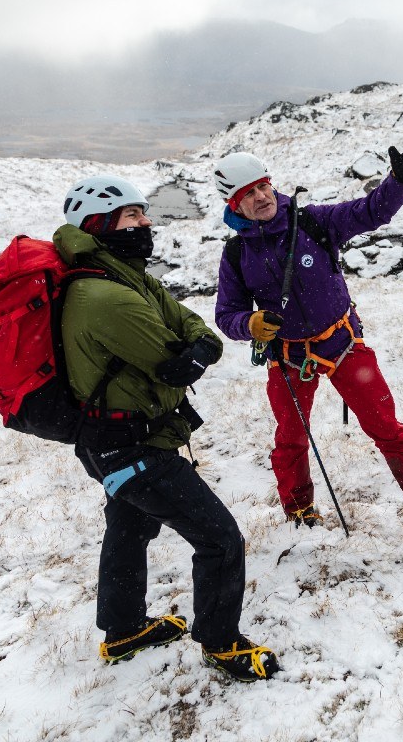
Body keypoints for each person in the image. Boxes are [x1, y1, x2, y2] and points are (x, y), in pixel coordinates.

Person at [54, 175, 278, 681]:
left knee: (131, 525)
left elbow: (199, 331)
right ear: (99, 225)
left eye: (142, 213)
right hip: (130, 447)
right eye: (133, 216)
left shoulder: (129, 279)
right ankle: (222, 644)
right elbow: (171, 360)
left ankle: (124, 629)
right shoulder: (105, 297)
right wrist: (193, 354)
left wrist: (200, 349)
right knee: (220, 538)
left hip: (114, 441)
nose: (146, 223)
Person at [213, 138, 403, 527]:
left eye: (263, 185)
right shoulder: (236, 255)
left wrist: (400, 181)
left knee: (385, 425)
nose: (261, 196)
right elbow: (226, 314)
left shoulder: (313, 221)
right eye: (248, 194)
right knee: (291, 438)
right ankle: (299, 510)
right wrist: (247, 325)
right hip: (288, 358)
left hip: (343, 343)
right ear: (235, 206)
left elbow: (372, 212)